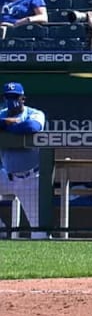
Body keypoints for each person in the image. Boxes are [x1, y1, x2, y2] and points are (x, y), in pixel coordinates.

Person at [0, 82, 47, 239]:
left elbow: (32, 127)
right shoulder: (2, 114)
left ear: (23, 98)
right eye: (8, 97)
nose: (11, 101)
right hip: (6, 176)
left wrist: (8, 127)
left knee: (39, 232)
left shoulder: (35, 113)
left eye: (15, 97)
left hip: (30, 178)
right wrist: (7, 122)